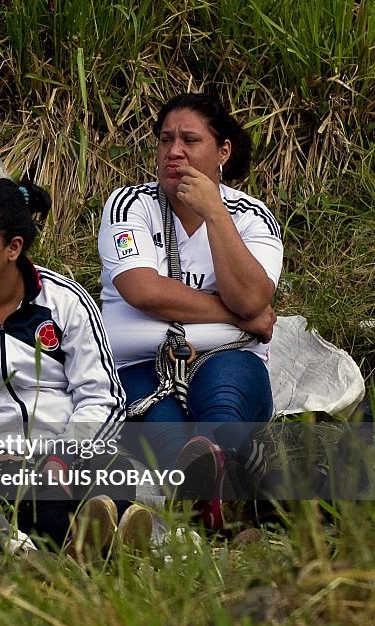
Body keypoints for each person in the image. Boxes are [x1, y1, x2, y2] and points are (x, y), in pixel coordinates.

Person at [0, 178, 149, 560]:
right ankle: (106, 539)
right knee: (36, 497)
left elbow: (102, 397)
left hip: (66, 447)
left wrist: (63, 453)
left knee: (107, 468)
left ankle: (105, 530)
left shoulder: (65, 301)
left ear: (14, 248)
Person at [97, 92, 283, 507]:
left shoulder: (252, 216)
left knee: (222, 419)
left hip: (226, 357)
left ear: (223, 151)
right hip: (139, 363)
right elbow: (142, 290)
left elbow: (252, 297)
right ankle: (230, 500)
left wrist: (215, 214)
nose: (173, 152)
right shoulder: (130, 205)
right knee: (172, 442)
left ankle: (221, 496)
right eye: (165, 140)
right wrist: (237, 316)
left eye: (189, 141)